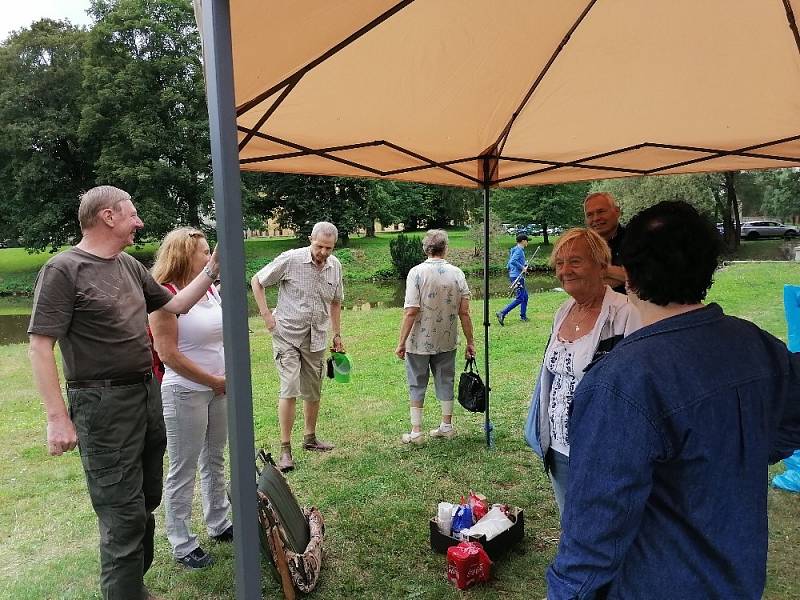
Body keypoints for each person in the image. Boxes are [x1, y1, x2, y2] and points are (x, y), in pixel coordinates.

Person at [546, 201, 800, 600]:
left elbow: (595, 533)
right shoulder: (757, 344)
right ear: (708, 267)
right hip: (740, 575)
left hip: (656, 584)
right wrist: (737, 453)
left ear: (627, 276)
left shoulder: (619, 383)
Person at [27, 186, 220, 600]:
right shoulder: (64, 270)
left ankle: (135, 586)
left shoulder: (129, 266)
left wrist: (213, 267)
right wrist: (57, 418)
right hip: (101, 403)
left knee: (147, 496)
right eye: (133, 214)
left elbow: (175, 306)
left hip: (145, 393)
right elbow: (40, 345)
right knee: (122, 513)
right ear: (108, 217)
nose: (140, 221)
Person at [524, 228, 640, 515]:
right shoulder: (563, 310)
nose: (565, 271)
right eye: (560, 263)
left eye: (575, 261)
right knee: (570, 522)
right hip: (559, 447)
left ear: (602, 265)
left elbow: (637, 389)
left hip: (604, 452)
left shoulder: (626, 314)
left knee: (604, 526)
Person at [148, 227, 232, 570]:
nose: (209, 257)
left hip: (218, 389)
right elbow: (167, 353)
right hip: (185, 390)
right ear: (184, 255)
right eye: (203, 252)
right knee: (183, 468)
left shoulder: (209, 290)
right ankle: (182, 541)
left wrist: (222, 380)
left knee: (214, 458)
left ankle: (219, 522)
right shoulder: (163, 296)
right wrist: (212, 380)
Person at [251, 222, 344, 473]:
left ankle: (310, 438)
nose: (323, 252)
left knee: (313, 389)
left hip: (317, 337)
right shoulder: (290, 259)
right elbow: (257, 281)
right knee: (289, 388)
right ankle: (285, 450)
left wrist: (337, 335)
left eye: (329, 248)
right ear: (310, 239)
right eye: (319, 246)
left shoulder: (335, 267)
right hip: (287, 335)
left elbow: (335, 303)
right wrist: (266, 316)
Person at [395, 229, 475, 443]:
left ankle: (416, 431)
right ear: (445, 248)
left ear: (426, 249)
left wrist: (401, 342)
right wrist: (470, 341)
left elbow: (411, 310)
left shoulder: (416, 273)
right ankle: (447, 426)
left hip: (419, 340)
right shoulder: (457, 273)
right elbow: (464, 311)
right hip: (446, 339)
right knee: (445, 380)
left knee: (416, 382)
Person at [583, 192, 626, 293]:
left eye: (601, 211)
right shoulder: (583, 245)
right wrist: (621, 274)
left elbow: (643, 279)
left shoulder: (637, 239)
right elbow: (582, 282)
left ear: (617, 212)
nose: (596, 218)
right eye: (590, 214)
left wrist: (602, 270)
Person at [496, 233, 529, 325]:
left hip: (515, 275)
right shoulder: (519, 250)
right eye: (527, 241)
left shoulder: (515, 249)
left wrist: (523, 265)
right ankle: (502, 313)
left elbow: (509, 264)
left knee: (525, 296)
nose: (527, 243)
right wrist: (522, 267)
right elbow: (512, 261)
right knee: (520, 298)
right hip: (517, 277)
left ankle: (523, 316)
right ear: (523, 241)